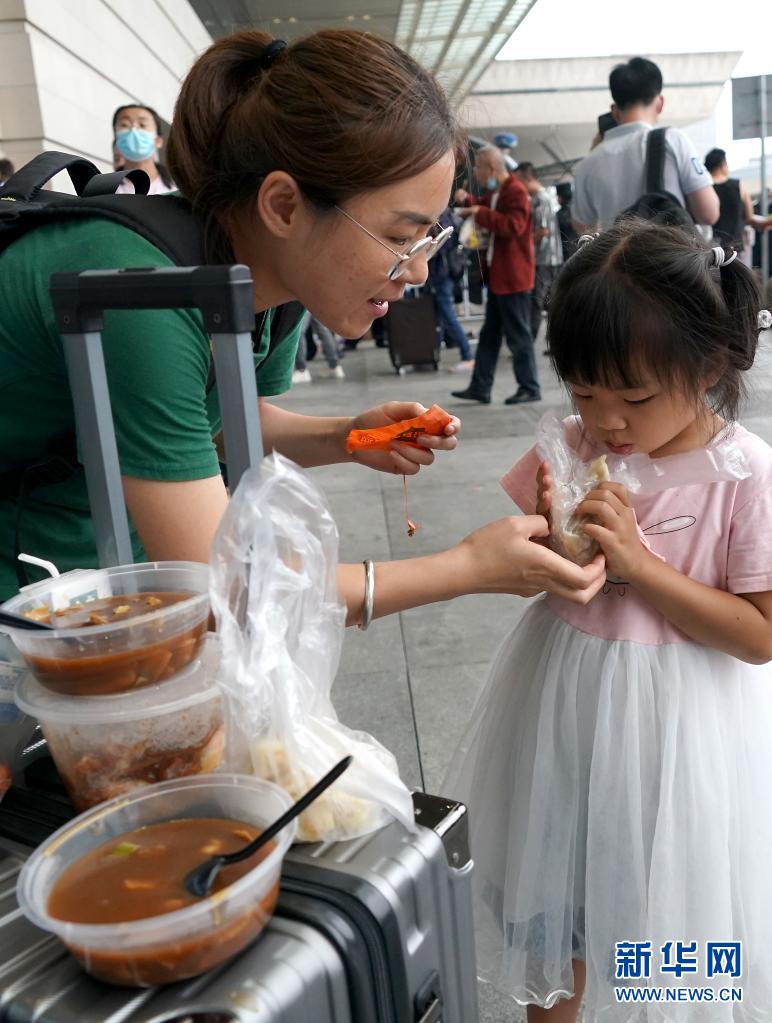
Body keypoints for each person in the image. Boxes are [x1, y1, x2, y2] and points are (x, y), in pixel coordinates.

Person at [0, 30, 604, 618]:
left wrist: (352, 437)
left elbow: (217, 424)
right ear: (284, 206)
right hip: (34, 591)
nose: (418, 270)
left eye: (429, 237)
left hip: (102, 565)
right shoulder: (145, 294)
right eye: (399, 237)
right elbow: (229, 587)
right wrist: (467, 567)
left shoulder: (274, 279)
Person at [445, 221, 772, 1021]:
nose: (607, 420)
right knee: (554, 912)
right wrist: (554, 544)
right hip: (564, 705)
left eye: (633, 396)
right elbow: (537, 565)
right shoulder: (570, 440)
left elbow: (759, 634)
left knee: (674, 920)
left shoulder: (744, 472)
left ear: (709, 366)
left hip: (682, 734)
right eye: (585, 392)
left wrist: (643, 566)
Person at [572, 57, 719, 233]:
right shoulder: (673, 140)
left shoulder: (587, 164)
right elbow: (708, 213)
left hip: (618, 259)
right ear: (660, 103)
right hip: (670, 257)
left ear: (614, 111)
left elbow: (584, 228)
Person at [452, 145, 539, 406]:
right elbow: (486, 208)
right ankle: (480, 386)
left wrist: (479, 212)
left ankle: (529, 386)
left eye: (478, 167)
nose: (476, 172)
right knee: (490, 335)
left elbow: (514, 225)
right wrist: (469, 202)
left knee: (519, 336)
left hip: (513, 278)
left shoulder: (515, 191)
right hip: (501, 278)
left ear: (491, 167)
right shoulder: (499, 191)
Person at [515, 162, 563, 348]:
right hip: (550, 258)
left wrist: (522, 246)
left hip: (544, 258)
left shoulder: (539, 199)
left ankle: (528, 343)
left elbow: (542, 231)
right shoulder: (543, 198)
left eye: (519, 181)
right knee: (547, 301)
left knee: (536, 302)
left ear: (528, 178)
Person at [427, 207, 474, 372]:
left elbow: (443, 243)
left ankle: (467, 355)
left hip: (443, 273)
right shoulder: (443, 214)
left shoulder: (442, 215)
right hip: (440, 272)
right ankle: (434, 355)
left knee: (447, 315)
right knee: (439, 315)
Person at [704, 147, 772, 256]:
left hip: (712, 251)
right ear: (723, 164)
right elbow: (749, 218)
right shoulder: (738, 185)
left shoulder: (704, 189)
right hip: (735, 249)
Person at [112, 104, 175, 194]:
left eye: (142, 125)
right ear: (116, 139)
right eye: (124, 125)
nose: (133, 129)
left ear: (158, 141)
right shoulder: (106, 190)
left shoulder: (176, 189)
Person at [292, 313, 345, 382]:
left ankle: (301, 370)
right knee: (323, 330)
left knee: (299, 330)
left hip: (304, 303)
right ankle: (335, 367)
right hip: (317, 303)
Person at [554, 182, 578, 261]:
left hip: (567, 249)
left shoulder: (562, 213)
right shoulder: (576, 209)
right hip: (576, 245)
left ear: (562, 197)